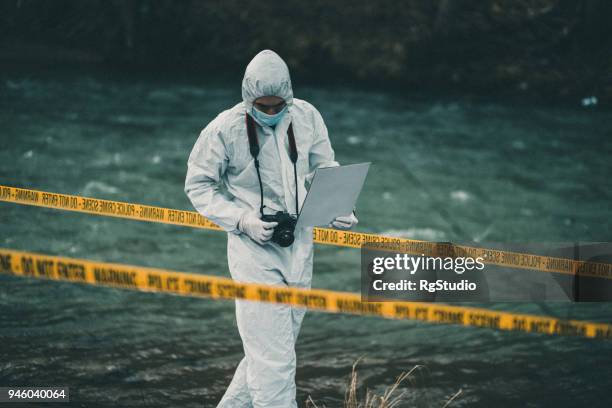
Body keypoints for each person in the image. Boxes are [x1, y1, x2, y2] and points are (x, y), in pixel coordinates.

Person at [184, 49, 358, 408]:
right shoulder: (224, 129)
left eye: (277, 105)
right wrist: (241, 220)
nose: (269, 112)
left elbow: (324, 169)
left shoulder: (307, 117)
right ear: (247, 97)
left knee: (268, 353)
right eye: (261, 106)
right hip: (254, 253)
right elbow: (198, 185)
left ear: (288, 97)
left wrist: (339, 207)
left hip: (299, 246)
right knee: (275, 361)